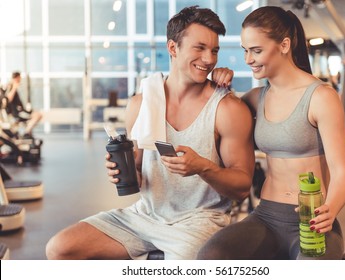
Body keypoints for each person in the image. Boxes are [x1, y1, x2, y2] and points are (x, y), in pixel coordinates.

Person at [46, 6, 255, 260]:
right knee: (60, 248)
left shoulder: (228, 109)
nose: (209, 59)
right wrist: (120, 171)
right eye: (199, 48)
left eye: (214, 50)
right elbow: (136, 173)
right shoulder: (140, 104)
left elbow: (242, 187)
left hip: (198, 222)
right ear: (173, 48)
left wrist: (202, 167)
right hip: (144, 216)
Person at [197, 6, 345, 260]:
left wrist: (330, 210)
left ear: (284, 45)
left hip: (312, 219)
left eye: (256, 50)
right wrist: (217, 84)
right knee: (210, 257)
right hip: (266, 217)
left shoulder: (321, 97)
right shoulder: (257, 98)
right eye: (245, 50)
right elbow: (216, 114)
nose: (248, 59)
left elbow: (342, 172)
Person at [5, 72, 42, 139]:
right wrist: (14, 87)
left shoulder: (14, 87)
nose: (20, 80)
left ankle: (27, 133)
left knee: (37, 114)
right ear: (16, 78)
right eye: (19, 79)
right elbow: (8, 99)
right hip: (17, 113)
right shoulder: (11, 87)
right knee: (37, 115)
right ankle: (26, 133)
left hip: (21, 110)